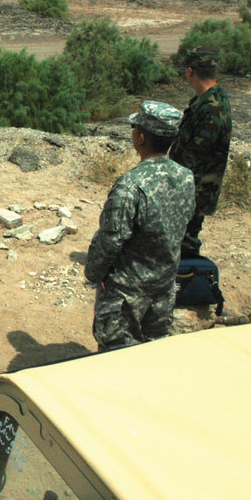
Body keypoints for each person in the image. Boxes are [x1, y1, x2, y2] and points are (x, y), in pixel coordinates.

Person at [86, 101, 195, 351]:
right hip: (163, 287)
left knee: (115, 355)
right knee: (151, 354)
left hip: (126, 293)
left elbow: (111, 239)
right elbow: (184, 222)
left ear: (141, 137)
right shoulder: (185, 176)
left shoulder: (130, 186)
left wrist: (94, 273)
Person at [169, 48, 232, 259]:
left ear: (190, 71)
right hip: (190, 184)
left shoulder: (212, 108)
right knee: (179, 235)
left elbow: (196, 157)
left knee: (186, 240)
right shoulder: (205, 101)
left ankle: (187, 281)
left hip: (195, 188)